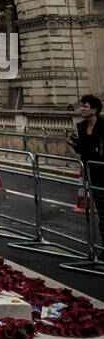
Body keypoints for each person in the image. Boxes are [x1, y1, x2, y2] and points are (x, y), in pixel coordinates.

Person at [68, 94, 104, 257]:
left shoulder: (103, 125)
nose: (82, 109)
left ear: (95, 109)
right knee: (102, 213)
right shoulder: (82, 127)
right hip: (94, 174)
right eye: (81, 106)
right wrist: (75, 145)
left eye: (85, 106)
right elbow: (84, 149)